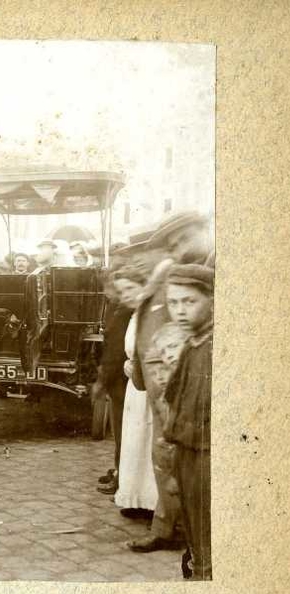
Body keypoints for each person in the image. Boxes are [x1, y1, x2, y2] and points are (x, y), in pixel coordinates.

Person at [126, 211, 212, 553]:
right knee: (166, 459)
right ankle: (170, 528)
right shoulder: (166, 275)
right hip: (164, 387)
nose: (178, 249)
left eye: (183, 239)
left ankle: (186, 536)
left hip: (188, 389)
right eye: (172, 245)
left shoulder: (207, 272)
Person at [162, 264, 214, 580]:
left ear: (213, 300)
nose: (179, 311)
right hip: (187, 454)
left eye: (189, 302)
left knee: (209, 538)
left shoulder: (214, 347)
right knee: (196, 535)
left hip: (207, 457)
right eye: (173, 302)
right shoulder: (193, 343)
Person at [111, 265, 158, 517]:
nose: (125, 295)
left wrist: (137, 366)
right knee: (134, 439)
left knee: (147, 437)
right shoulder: (135, 315)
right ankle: (135, 499)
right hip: (135, 386)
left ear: (145, 287)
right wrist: (127, 364)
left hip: (149, 385)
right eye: (122, 291)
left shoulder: (153, 315)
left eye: (130, 288)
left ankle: (152, 503)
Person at [94, 265, 136, 495]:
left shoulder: (122, 311)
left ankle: (122, 477)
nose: (106, 292)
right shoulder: (117, 307)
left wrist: (102, 381)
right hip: (118, 380)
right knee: (121, 432)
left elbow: (114, 350)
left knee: (123, 432)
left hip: (121, 381)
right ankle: (120, 471)